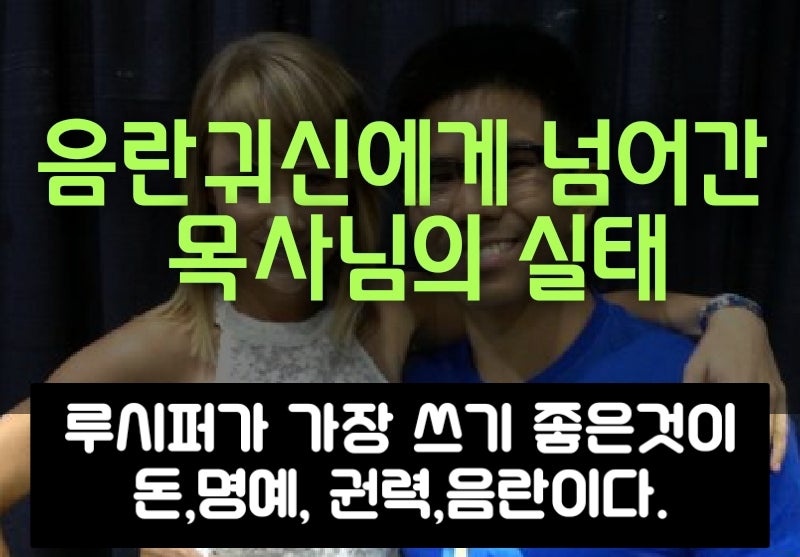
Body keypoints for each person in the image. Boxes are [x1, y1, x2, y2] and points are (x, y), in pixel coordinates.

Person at [0, 29, 790, 557]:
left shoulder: (388, 312)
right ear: (205, 196)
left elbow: (566, 294)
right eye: (247, 180)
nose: (285, 211)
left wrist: (727, 314)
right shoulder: (166, 346)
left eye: (313, 175)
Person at [386, 23, 800, 556]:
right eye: (440, 176)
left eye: (513, 167)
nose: (473, 205)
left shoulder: (709, 393)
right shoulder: (397, 385)